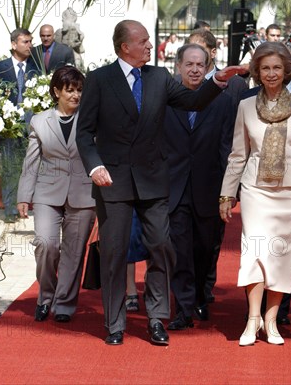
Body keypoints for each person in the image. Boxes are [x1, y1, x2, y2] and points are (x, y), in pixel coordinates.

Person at [76, 20, 244, 346]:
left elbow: (192, 101)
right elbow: (84, 132)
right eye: (144, 42)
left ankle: (156, 318)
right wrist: (94, 166)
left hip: (153, 180)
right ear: (126, 46)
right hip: (113, 181)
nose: (150, 47)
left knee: (161, 248)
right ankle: (114, 324)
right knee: (114, 252)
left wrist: (218, 80)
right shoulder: (99, 79)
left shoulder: (159, 77)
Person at [219, 42, 291, 346]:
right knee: (254, 252)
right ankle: (252, 319)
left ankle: (271, 321)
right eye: (265, 68)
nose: (272, 73)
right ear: (257, 72)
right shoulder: (246, 106)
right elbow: (238, 154)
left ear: (287, 70)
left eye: (277, 67)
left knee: (280, 257)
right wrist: (227, 194)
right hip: (255, 191)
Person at [16, 66, 96, 322]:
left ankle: (63, 305)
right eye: (70, 90)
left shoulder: (91, 118)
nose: (75, 95)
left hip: (83, 192)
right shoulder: (39, 121)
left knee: (73, 252)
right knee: (46, 244)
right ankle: (45, 296)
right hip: (47, 192)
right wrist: (23, 196)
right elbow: (31, 163)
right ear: (56, 91)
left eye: (79, 90)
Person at [165, 44, 236, 330]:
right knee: (180, 249)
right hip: (175, 187)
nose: (194, 70)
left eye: (200, 65)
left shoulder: (223, 101)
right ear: (178, 66)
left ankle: (199, 296)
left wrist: (228, 192)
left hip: (209, 187)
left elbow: (227, 148)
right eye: (189, 64)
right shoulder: (166, 99)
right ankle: (183, 308)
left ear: (207, 67)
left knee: (205, 248)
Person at [187, 28, 249, 305]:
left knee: (211, 239)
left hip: (217, 174)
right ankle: (187, 292)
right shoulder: (180, 86)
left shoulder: (235, 85)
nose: (195, 60)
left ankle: (205, 287)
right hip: (185, 176)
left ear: (212, 53)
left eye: (200, 53)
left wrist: (232, 184)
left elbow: (235, 136)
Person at [0, 28, 38, 223]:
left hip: (31, 126)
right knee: (10, 167)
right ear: (13, 44)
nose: (30, 46)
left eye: (30, 42)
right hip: (8, 126)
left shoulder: (36, 68)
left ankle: (27, 206)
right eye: (25, 42)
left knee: (31, 168)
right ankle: (10, 209)